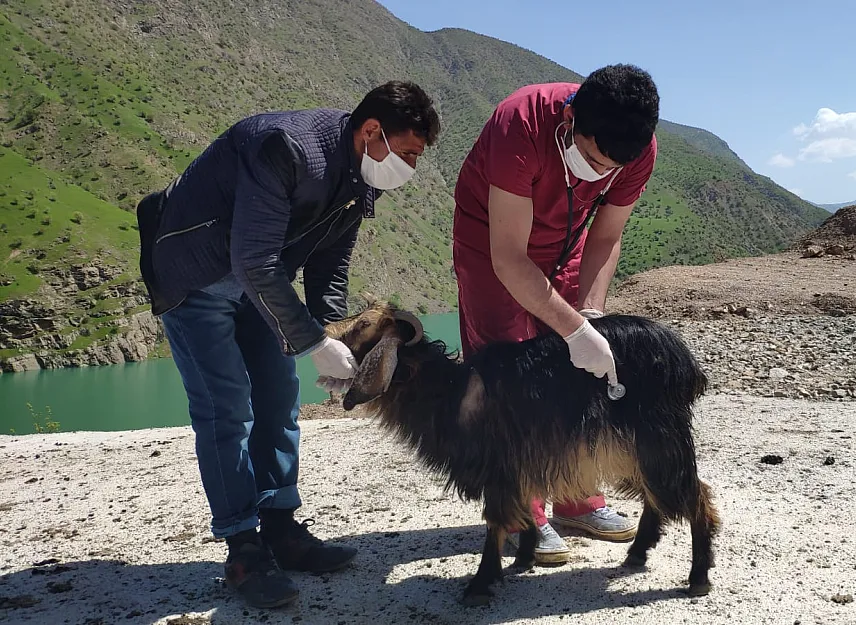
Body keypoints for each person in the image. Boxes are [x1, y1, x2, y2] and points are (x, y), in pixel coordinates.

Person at [135, 81, 440, 608]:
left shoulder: (362, 178)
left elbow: (330, 267)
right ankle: (243, 549)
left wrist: (328, 332)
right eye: (409, 152)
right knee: (226, 410)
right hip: (197, 277)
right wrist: (312, 343)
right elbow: (252, 260)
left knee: (279, 399)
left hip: (261, 285)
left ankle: (280, 527)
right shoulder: (286, 146)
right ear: (372, 131)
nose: (410, 166)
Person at [451, 63, 660, 564]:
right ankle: (523, 513)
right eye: (591, 158)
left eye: (612, 168)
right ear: (569, 120)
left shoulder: (634, 147)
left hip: (566, 245)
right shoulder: (519, 123)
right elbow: (508, 258)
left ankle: (576, 498)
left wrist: (588, 313)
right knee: (510, 378)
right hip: (492, 248)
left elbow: (607, 236)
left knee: (575, 374)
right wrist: (572, 328)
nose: (601, 172)